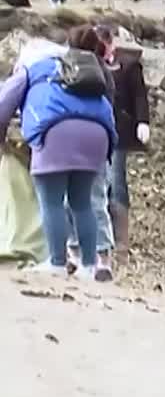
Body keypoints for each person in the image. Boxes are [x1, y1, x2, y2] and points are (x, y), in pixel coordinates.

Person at [0, 35, 116, 277]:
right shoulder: (76, 64)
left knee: (51, 200)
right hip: (98, 133)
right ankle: (88, 265)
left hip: (56, 131)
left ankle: (56, 262)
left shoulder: (30, 67)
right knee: (82, 202)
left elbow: (4, 103)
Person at [63, 25, 118, 281]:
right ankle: (103, 259)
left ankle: (72, 253)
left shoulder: (65, 67)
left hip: (69, 139)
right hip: (98, 139)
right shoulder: (103, 73)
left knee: (67, 198)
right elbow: (109, 107)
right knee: (97, 200)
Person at [100, 35, 151, 261]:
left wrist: (143, 121)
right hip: (96, 129)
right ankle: (102, 233)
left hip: (119, 129)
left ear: (111, 43)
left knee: (116, 179)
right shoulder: (91, 63)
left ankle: (121, 239)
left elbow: (140, 95)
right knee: (98, 182)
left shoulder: (129, 65)